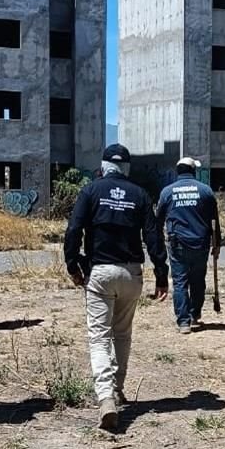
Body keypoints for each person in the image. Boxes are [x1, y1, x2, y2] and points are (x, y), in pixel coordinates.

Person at [64, 144, 170, 431]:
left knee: (99, 337)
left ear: (103, 166)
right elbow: (153, 236)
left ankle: (106, 397)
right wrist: (162, 273)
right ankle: (119, 388)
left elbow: (74, 228)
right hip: (131, 273)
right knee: (122, 334)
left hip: (99, 272)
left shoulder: (91, 191)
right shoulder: (139, 195)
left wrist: (72, 264)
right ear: (127, 168)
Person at [156, 157, 222, 334]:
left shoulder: (167, 192)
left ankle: (183, 322)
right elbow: (215, 220)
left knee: (180, 282)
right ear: (193, 171)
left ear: (178, 171)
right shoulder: (206, 191)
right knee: (198, 280)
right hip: (200, 243)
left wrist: (158, 241)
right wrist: (218, 244)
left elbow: (158, 220)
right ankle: (194, 314)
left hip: (177, 243)